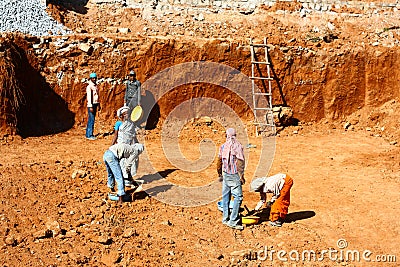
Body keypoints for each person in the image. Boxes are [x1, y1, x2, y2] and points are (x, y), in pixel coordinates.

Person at [217, 128, 245, 230]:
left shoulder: (222, 147)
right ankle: (233, 221)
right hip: (234, 175)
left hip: (225, 174)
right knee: (238, 197)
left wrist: (220, 173)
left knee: (226, 196)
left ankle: (225, 218)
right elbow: (240, 162)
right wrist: (241, 176)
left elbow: (219, 161)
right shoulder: (238, 146)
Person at [111, 106, 139, 187]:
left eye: (128, 113)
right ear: (121, 116)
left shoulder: (131, 123)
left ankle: (130, 179)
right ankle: (125, 180)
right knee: (123, 162)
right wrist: (111, 146)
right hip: (122, 146)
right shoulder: (118, 123)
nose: (127, 115)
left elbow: (133, 135)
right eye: (125, 114)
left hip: (131, 145)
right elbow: (115, 135)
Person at [85, 72, 100, 140]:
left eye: (95, 78)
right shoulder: (89, 87)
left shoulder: (95, 86)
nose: (94, 79)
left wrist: (98, 104)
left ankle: (89, 134)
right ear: (90, 79)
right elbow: (89, 97)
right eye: (93, 78)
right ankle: (89, 135)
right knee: (91, 119)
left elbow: (96, 96)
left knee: (92, 119)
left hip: (95, 104)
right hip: (91, 104)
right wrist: (90, 106)